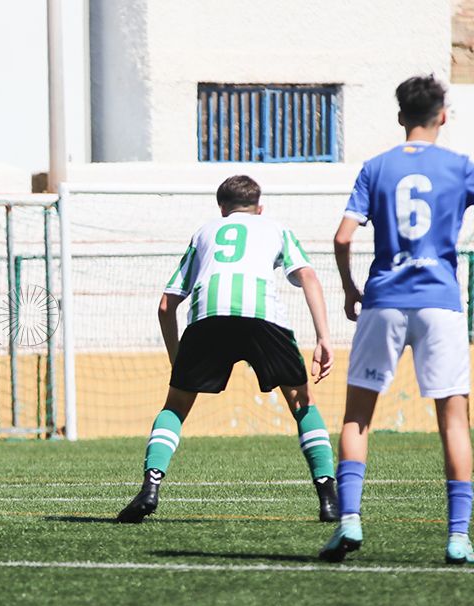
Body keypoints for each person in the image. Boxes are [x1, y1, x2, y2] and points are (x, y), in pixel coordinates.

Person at [116, 175, 338, 524]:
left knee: (175, 406)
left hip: (208, 318)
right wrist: (324, 337)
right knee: (302, 404)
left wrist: (178, 359)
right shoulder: (276, 228)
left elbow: (165, 305)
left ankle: (150, 487)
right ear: (259, 208)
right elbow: (308, 276)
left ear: (222, 209)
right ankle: (328, 498)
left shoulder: (204, 233)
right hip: (263, 318)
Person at [322, 75, 474, 564]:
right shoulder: (460, 167)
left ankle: (349, 522)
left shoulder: (376, 167)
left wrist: (349, 287)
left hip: (384, 298)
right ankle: (457, 538)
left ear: (400, 115)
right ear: (443, 115)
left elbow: (343, 237)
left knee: (357, 415)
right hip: (440, 302)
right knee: (453, 420)